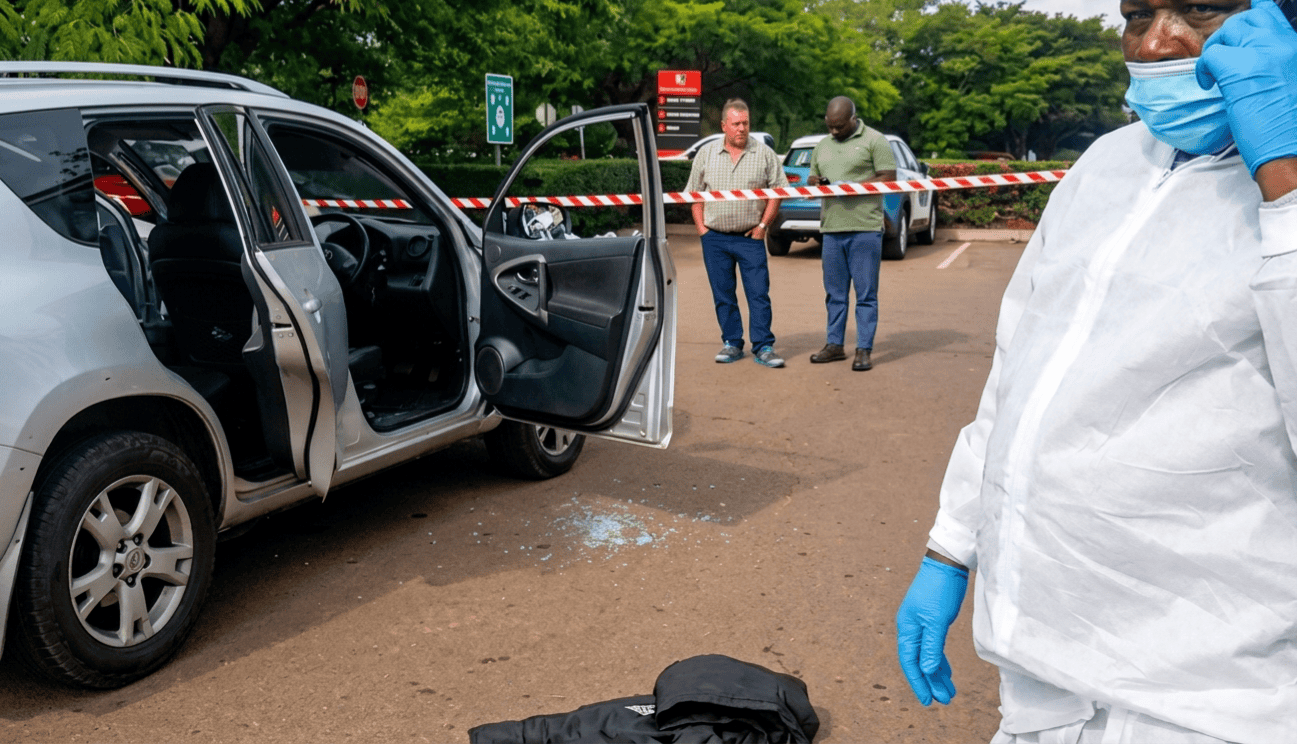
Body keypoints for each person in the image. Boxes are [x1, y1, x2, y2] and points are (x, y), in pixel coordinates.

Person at [894, 1, 1297, 742]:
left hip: (1210, 697)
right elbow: (1019, 369)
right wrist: (950, 546)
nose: (1155, 42)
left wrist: (1286, 183)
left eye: (1200, 10)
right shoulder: (1106, 164)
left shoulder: (1282, 183)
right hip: (1043, 676)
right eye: (1137, 14)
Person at [685, 98, 789, 368]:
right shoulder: (706, 154)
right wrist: (702, 230)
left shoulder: (764, 154)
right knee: (723, 294)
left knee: (758, 293)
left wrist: (763, 226)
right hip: (715, 239)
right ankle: (732, 342)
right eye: (736, 124)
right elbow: (694, 196)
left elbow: (778, 193)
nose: (742, 129)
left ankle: (764, 345)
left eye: (746, 123)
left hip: (750, 238)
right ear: (724, 126)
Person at [805, 97, 896, 372]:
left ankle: (863, 349)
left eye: (839, 126)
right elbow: (812, 177)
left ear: (853, 119)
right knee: (835, 293)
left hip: (864, 228)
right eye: (830, 126)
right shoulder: (822, 145)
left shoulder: (875, 140)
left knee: (866, 293)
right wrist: (817, 182)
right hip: (832, 228)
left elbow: (888, 177)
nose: (834, 131)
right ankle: (834, 345)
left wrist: (854, 186)